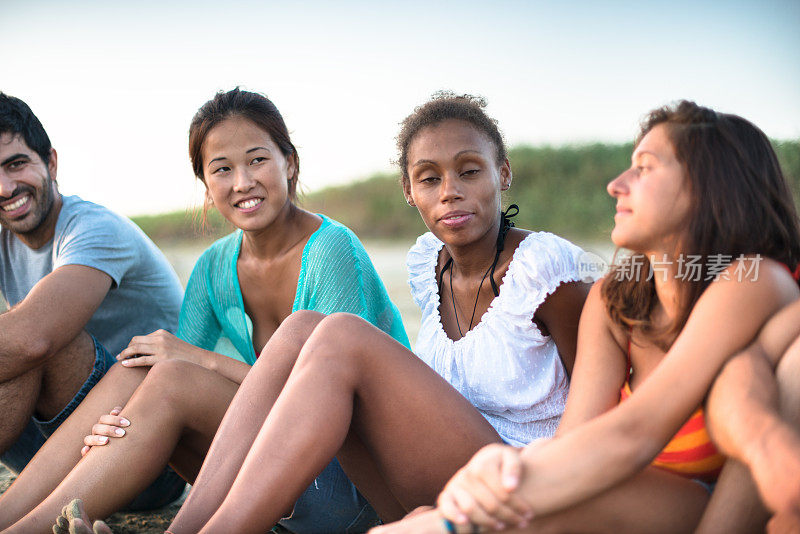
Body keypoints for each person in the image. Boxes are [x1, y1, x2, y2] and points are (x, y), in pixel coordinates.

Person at [77, 91, 601, 534]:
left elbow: (599, 416)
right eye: (429, 179)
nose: (450, 193)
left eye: (469, 171)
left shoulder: (543, 270)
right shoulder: (429, 265)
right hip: (431, 480)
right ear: (408, 190)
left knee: (339, 335)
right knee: (306, 328)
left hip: (517, 487)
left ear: (502, 173)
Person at [372, 100, 800, 533]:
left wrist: (471, 508)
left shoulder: (753, 280)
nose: (616, 184)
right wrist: (509, 465)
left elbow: (633, 435)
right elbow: (576, 440)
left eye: (645, 168)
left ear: (710, 186)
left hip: (696, 507)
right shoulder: (615, 298)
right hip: (619, 492)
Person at [0, 87, 408, 534]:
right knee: (147, 364)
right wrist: (107, 425)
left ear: (289, 163)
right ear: (207, 186)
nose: (242, 182)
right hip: (267, 475)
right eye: (222, 169)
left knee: (174, 368)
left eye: (257, 160)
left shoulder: (332, 249)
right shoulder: (214, 266)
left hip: (354, 481)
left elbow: (334, 406)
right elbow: (164, 381)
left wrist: (200, 359)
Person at [0, 93, 186, 513]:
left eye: (16, 164)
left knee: (39, 336)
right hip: (56, 448)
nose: (6, 188)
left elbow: (34, 339)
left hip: (150, 450)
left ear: (50, 162)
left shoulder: (95, 228)